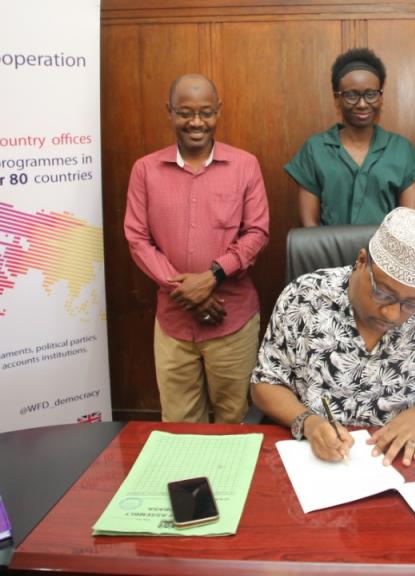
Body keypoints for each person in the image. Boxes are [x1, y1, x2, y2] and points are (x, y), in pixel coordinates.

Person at [251, 208, 415, 466]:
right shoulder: (304, 297)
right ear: (362, 261)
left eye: (412, 304)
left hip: (403, 459)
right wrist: (309, 423)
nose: (393, 314)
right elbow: (265, 384)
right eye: (383, 294)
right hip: (316, 456)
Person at [124, 74, 269, 423]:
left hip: (232, 318)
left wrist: (212, 276)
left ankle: (231, 480)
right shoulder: (145, 170)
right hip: (174, 321)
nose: (196, 122)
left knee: (234, 418)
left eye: (205, 112)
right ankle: (192, 480)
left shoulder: (245, 165)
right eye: (185, 113)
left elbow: (257, 232)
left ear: (218, 111)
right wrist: (186, 289)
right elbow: (137, 238)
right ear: (170, 112)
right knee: (179, 422)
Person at [287, 48, 415, 226]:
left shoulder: (402, 150)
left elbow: (411, 225)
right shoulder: (315, 149)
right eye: (351, 95)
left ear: (381, 97)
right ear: (337, 99)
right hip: (330, 253)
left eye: (371, 94)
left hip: (387, 253)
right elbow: (310, 227)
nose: (362, 104)